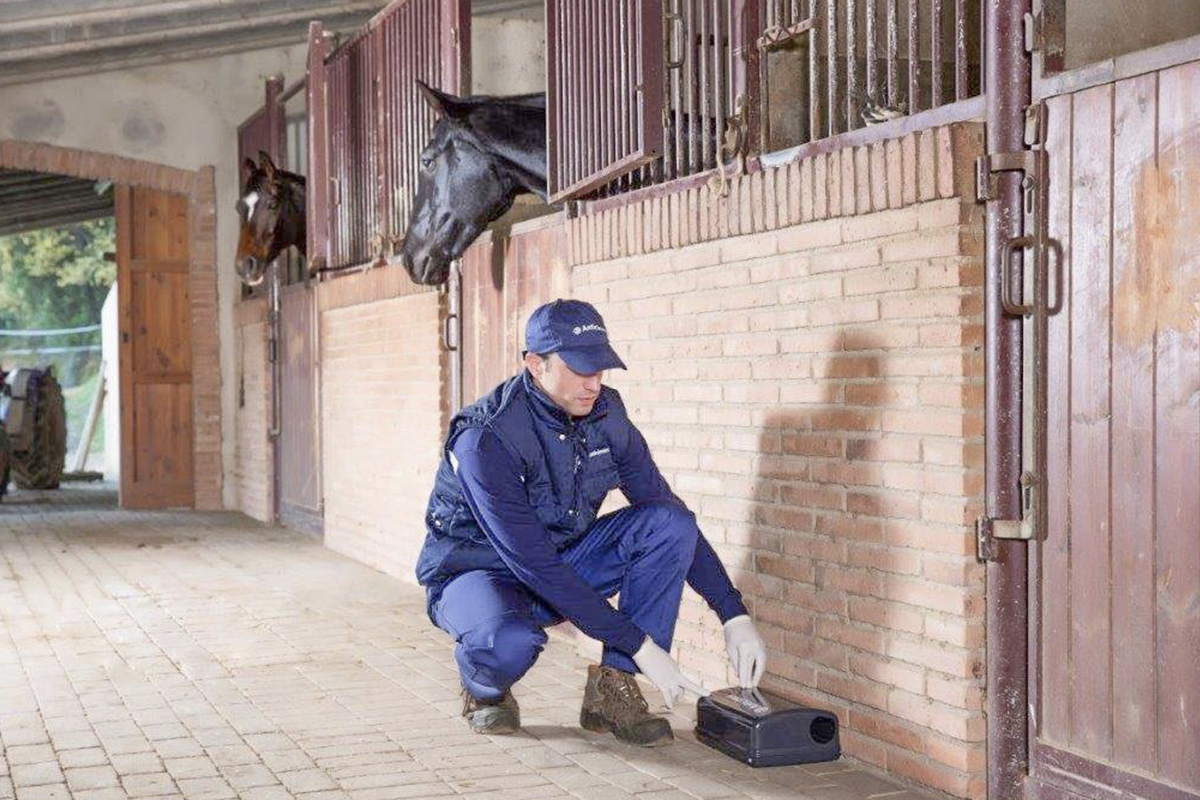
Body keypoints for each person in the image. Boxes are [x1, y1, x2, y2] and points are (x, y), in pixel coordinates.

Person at [415, 298, 767, 746]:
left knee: (668, 524)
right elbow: (534, 563)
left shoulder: (607, 414)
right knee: (509, 641)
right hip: (477, 574)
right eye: (580, 369)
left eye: (599, 368)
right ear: (535, 365)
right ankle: (485, 688)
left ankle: (612, 689)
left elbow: (666, 509)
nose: (593, 383)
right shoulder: (487, 438)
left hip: (563, 561)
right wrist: (641, 644)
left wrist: (732, 613)